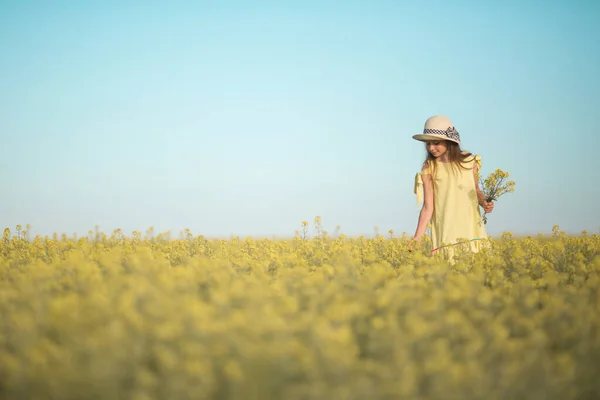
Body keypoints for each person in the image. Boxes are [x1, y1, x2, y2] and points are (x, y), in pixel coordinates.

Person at [411, 115, 494, 261]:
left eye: (436, 142)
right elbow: (427, 207)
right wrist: (418, 237)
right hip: (446, 231)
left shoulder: (469, 162)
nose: (431, 147)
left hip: (471, 229)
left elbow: (475, 190)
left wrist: (484, 202)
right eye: (428, 143)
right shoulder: (429, 168)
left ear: (449, 141)